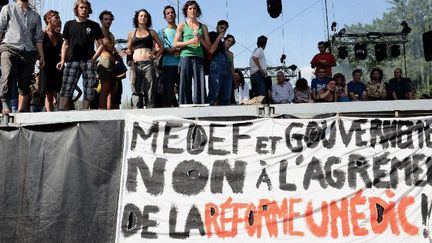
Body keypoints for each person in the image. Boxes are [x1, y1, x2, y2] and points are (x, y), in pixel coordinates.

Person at [56, 0, 104, 111]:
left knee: (89, 88)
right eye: (81, 7)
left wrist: (93, 59)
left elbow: (101, 45)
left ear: (89, 10)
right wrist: (63, 60)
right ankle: (61, 111)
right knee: (67, 86)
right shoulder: (69, 24)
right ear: (77, 9)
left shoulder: (94, 25)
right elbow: (65, 44)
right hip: (72, 60)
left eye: (86, 8)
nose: (83, 10)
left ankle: (84, 112)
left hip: (88, 61)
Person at [0, 0, 45, 113]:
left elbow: (38, 39)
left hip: (28, 51)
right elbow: (0, 29)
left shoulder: (36, 16)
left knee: (25, 82)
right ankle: (5, 105)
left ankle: (21, 110)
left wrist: (42, 55)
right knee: (7, 73)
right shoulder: (8, 8)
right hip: (9, 46)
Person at [174, 0, 211, 105]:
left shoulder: (203, 27)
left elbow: (209, 47)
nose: (192, 10)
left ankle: (201, 106)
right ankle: (184, 106)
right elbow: (175, 43)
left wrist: (201, 39)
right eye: (190, 8)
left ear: (198, 11)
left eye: (194, 8)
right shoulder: (182, 25)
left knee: (200, 84)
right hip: (185, 57)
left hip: (199, 57)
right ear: (186, 11)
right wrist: (189, 41)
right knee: (185, 83)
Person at [126, 9, 163, 109]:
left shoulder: (152, 32)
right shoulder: (131, 33)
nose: (143, 17)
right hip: (136, 65)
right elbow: (129, 49)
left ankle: (151, 111)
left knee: (150, 89)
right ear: (137, 18)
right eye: (141, 16)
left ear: (148, 18)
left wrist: (155, 55)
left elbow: (161, 46)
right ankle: (136, 111)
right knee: (136, 90)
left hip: (148, 64)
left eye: (145, 16)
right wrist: (127, 57)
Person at [158, 5, 180, 107]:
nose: (170, 14)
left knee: (183, 92)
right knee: (168, 93)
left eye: (172, 12)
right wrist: (168, 50)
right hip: (167, 66)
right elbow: (157, 48)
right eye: (168, 13)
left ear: (175, 14)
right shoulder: (161, 32)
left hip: (182, 65)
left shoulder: (181, 29)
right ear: (165, 17)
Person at [41, 10, 62, 112]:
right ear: (49, 19)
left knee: (58, 92)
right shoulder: (42, 34)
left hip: (58, 67)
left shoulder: (60, 36)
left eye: (59, 18)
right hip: (46, 66)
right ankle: (49, 116)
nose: (59, 20)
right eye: (56, 18)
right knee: (49, 94)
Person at [207, 20, 232, 106]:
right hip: (216, 65)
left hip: (225, 67)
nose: (223, 30)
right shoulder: (212, 35)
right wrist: (219, 37)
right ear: (217, 27)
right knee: (214, 93)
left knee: (226, 94)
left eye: (225, 29)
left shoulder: (222, 43)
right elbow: (211, 50)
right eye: (221, 27)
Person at [97, 10, 117, 109]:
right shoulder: (99, 32)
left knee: (111, 91)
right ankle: (103, 113)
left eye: (110, 19)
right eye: (105, 19)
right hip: (104, 61)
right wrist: (116, 51)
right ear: (101, 20)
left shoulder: (111, 34)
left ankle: (109, 114)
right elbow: (109, 48)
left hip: (112, 63)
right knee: (105, 89)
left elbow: (112, 49)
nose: (108, 21)